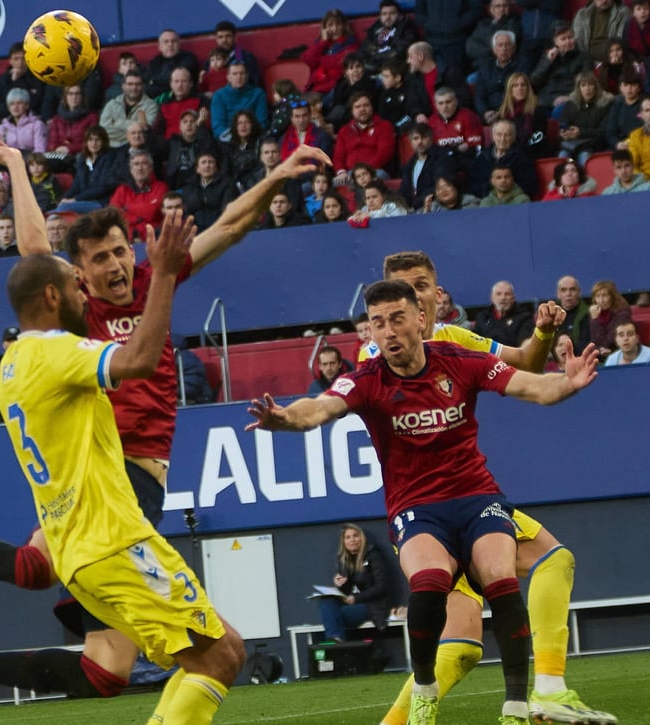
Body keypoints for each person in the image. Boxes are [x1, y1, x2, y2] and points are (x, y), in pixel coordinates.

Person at [0, 138, 333, 712]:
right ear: (76, 277)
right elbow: (35, 252)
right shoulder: (73, 322)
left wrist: (277, 175)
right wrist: (16, 166)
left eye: (120, 252)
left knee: (104, 670)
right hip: (112, 485)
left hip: (118, 490)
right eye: (99, 259)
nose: (115, 265)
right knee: (202, 648)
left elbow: (230, 226)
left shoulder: (151, 282)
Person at [248, 278, 600, 725]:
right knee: (430, 581)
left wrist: (567, 383)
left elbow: (533, 387)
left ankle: (516, 707)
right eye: (378, 323)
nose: (388, 331)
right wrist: (284, 419)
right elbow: (319, 408)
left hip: (475, 497)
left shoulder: (459, 360)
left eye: (396, 319)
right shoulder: (366, 381)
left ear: (419, 319)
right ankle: (425, 687)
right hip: (417, 508)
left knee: (500, 579)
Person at [349, 254, 613, 725]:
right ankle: (548, 690)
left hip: (468, 500)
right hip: (422, 511)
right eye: (404, 291)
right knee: (552, 560)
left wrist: (543, 334)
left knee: (464, 645)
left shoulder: (457, 339)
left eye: (422, 286)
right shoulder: (378, 355)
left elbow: (526, 364)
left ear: (436, 294)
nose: (416, 297)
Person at [316, 524, 392, 642]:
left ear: (362, 538)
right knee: (326, 601)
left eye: (355, 536)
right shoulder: (343, 560)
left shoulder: (373, 556)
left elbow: (382, 587)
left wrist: (356, 598)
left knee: (337, 615)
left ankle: (337, 643)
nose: (352, 540)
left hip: (372, 605)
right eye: (348, 537)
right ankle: (335, 639)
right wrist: (340, 585)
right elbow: (347, 590)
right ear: (344, 542)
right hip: (351, 602)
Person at [305, 10, 360, 94]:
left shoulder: (351, 43)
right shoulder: (319, 43)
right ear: (324, 28)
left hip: (336, 88)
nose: (335, 28)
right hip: (316, 88)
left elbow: (342, 64)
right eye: (330, 25)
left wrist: (321, 59)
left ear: (344, 26)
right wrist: (323, 42)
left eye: (338, 24)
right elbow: (309, 60)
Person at [210, 62, 268, 141]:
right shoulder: (219, 95)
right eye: (235, 74)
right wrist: (235, 139)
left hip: (252, 139)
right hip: (227, 140)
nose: (239, 77)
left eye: (242, 73)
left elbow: (262, 123)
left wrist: (246, 138)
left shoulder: (258, 94)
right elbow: (218, 126)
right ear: (228, 77)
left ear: (247, 76)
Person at [365, 0, 422, 74]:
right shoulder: (375, 28)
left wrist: (375, 56)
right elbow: (364, 48)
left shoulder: (407, 28)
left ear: (399, 15)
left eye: (392, 13)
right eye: (384, 14)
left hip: (396, 68)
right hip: (375, 67)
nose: (388, 17)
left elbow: (399, 52)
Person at [144, 29, 202, 98]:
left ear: (179, 44)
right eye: (166, 42)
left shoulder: (189, 58)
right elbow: (146, 79)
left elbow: (175, 78)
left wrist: (153, 81)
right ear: (160, 47)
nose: (170, 44)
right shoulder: (155, 61)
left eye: (174, 41)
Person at [475, 281, 534, 347]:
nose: (503, 298)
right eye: (498, 294)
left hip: (512, 352)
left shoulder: (524, 317)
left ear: (513, 298)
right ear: (491, 298)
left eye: (507, 294)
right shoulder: (482, 317)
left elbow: (525, 344)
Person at [572, 0, 629, 64]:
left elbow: (620, 37)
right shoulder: (582, 14)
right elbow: (578, 38)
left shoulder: (622, 13)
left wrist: (613, 52)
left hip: (611, 50)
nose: (604, 1)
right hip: (587, 52)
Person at [588, 280, 632, 354]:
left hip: (619, 353)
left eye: (604, 295)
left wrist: (595, 320)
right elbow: (589, 341)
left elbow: (606, 343)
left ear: (612, 297)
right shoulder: (594, 313)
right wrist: (598, 350)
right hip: (599, 354)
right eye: (597, 296)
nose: (601, 300)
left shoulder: (622, 315)